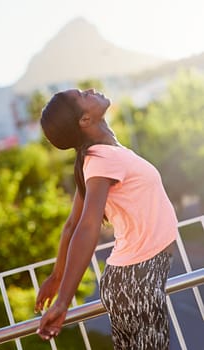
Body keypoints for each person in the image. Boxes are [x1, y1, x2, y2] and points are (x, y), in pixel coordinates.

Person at [35, 88, 178, 349]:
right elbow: (86, 226)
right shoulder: (101, 160)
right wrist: (63, 301)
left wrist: (57, 277)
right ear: (84, 121)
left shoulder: (97, 157)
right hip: (136, 281)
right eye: (82, 95)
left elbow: (71, 225)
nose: (89, 89)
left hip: (130, 280)